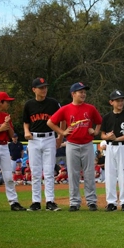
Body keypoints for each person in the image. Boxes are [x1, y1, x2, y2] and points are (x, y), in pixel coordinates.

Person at [47, 82, 102, 212]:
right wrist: (62, 133)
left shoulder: (90, 108)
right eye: (80, 92)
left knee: (89, 173)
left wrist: (95, 131)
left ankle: (91, 201)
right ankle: (74, 202)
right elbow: (50, 122)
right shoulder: (66, 109)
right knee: (73, 174)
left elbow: (99, 122)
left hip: (87, 144)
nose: (83, 94)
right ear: (73, 94)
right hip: (72, 144)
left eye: (84, 92)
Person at [22, 77, 63, 211]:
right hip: (33, 139)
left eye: (45, 87)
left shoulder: (53, 103)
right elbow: (26, 121)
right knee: (35, 172)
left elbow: (62, 118)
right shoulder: (29, 104)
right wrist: (26, 131)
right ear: (34, 89)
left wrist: (60, 136)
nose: (44, 89)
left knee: (49, 171)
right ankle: (36, 202)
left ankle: (50, 201)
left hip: (49, 138)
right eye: (41, 87)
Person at [100, 90, 124, 212]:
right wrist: (107, 137)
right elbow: (102, 135)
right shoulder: (106, 117)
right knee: (110, 175)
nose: (120, 102)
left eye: (122, 100)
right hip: (110, 147)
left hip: (122, 146)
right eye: (117, 100)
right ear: (111, 102)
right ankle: (111, 202)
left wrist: (117, 138)